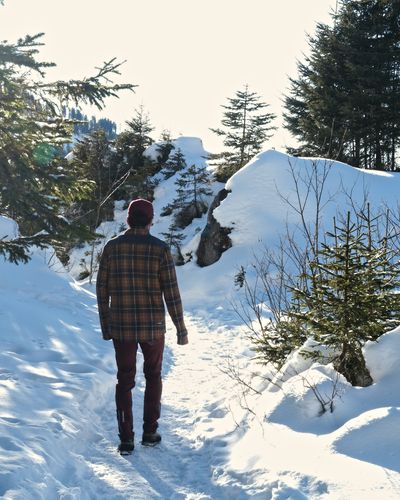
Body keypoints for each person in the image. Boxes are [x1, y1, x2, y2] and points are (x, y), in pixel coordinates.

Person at [96, 198, 188, 455]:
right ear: (150, 220)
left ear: (128, 220)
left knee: (124, 380)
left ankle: (126, 438)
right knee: (153, 375)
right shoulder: (159, 249)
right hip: (153, 327)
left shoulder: (112, 248)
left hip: (122, 326)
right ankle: (150, 432)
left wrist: (107, 326)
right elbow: (172, 292)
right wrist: (181, 329)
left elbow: (101, 289)